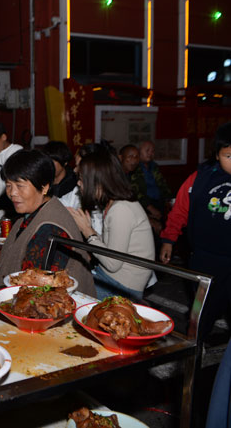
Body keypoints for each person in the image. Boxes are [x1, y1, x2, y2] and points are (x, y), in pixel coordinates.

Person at [160, 122, 231, 340]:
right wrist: (168, 240)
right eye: (229, 156)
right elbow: (180, 209)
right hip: (204, 260)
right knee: (201, 314)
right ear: (217, 155)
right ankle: (193, 348)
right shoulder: (200, 178)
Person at [0, 150, 95, 296]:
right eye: (8, 185)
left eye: (20, 185)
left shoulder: (50, 229)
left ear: (44, 187)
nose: (12, 193)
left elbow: (39, 294)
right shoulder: (32, 211)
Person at [68, 149, 155, 301]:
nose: (78, 183)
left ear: (98, 181)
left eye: (82, 179)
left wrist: (87, 231)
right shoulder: (114, 203)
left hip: (122, 287)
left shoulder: (121, 209)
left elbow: (113, 263)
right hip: (113, 278)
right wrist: (92, 231)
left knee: (68, 297)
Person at [130, 140, 172, 233]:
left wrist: (168, 200)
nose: (150, 153)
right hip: (144, 206)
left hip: (159, 203)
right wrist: (150, 208)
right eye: (147, 150)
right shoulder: (134, 168)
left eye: (152, 151)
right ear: (139, 151)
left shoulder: (154, 166)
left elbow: (163, 184)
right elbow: (135, 192)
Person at [43, 140, 79, 209]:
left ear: (65, 162)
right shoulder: (42, 179)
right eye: (46, 161)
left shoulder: (74, 183)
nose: (48, 165)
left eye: (53, 162)